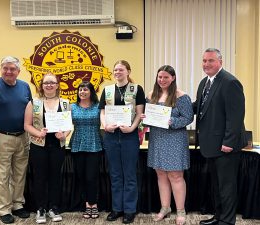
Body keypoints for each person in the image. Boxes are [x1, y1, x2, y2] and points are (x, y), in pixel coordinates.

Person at [193, 48, 246, 225]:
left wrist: (229, 142)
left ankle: (228, 221)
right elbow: (198, 107)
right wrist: (172, 105)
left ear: (220, 62)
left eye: (211, 61)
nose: (206, 64)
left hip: (226, 147)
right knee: (216, 185)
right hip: (210, 145)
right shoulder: (204, 82)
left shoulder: (230, 82)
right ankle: (218, 217)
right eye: (204, 61)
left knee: (227, 187)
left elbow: (236, 116)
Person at [0, 56, 32, 224]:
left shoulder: (25, 87)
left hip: (23, 137)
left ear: (18, 71)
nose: (8, 71)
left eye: (12, 69)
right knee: (2, 176)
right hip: (1, 137)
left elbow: (31, 112)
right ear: (1, 69)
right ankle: (4, 209)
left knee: (20, 174)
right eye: (5, 68)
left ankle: (18, 205)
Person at [141, 65, 194, 225]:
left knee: (176, 176)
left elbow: (188, 118)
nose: (162, 80)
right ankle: (165, 208)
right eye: (160, 77)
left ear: (173, 78)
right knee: (161, 175)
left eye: (166, 77)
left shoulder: (181, 96)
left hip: (175, 138)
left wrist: (173, 121)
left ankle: (181, 211)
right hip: (157, 138)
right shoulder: (151, 95)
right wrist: (144, 117)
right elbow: (147, 116)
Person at [99, 60, 145, 224]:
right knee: (116, 174)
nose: (117, 72)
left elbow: (140, 113)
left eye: (121, 69)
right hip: (111, 136)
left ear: (128, 71)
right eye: (115, 70)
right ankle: (117, 208)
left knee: (130, 174)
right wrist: (105, 126)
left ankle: (130, 210)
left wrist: (132, 128)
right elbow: (102, 112)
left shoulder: (137, 89)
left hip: (129, 136)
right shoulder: (108, 90)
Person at [24, 72, 70, 224]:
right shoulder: (34, 103)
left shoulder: (65, 103)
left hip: (57, 145)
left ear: (57, 85)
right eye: (46, 83)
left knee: (55, 177)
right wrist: (39, 133)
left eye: (52, 82)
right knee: (40, 178)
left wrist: (64, 135)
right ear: (41, 86)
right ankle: (41, 208)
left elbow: (68, 125)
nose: (49, 85)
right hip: (39, 146)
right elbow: (27, 125)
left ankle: (54, 207)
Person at [69, 81, 103, 219]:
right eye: (80, 90)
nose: (82, 92)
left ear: (91, 92)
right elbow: (64, 123)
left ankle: (93, 204)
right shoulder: (72, 107)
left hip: (94, 144)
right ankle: (87, 205)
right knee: (81, 176)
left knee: (91, 177)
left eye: (85, 90)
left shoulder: (98, 107)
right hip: (77, 144)